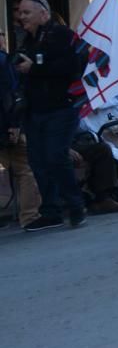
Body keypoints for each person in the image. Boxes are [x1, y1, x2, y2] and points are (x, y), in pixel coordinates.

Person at [14, 0, 87, 228]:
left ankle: (76, 206)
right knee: (37, 160)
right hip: (35, 110)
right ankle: (51, 211)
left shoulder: (62, 36)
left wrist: (35, 68)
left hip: (61, 108)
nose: (21, 17)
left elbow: (73, 65)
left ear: (43, 13)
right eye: (20, 12)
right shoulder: (26, 40)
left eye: (26, 12)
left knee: (56, 155)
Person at [0, 30, 44, 230]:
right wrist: (14, 124)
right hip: (7, 126)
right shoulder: (4, 61)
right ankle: (30, 216)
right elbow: (12, 95)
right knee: (24, 171)